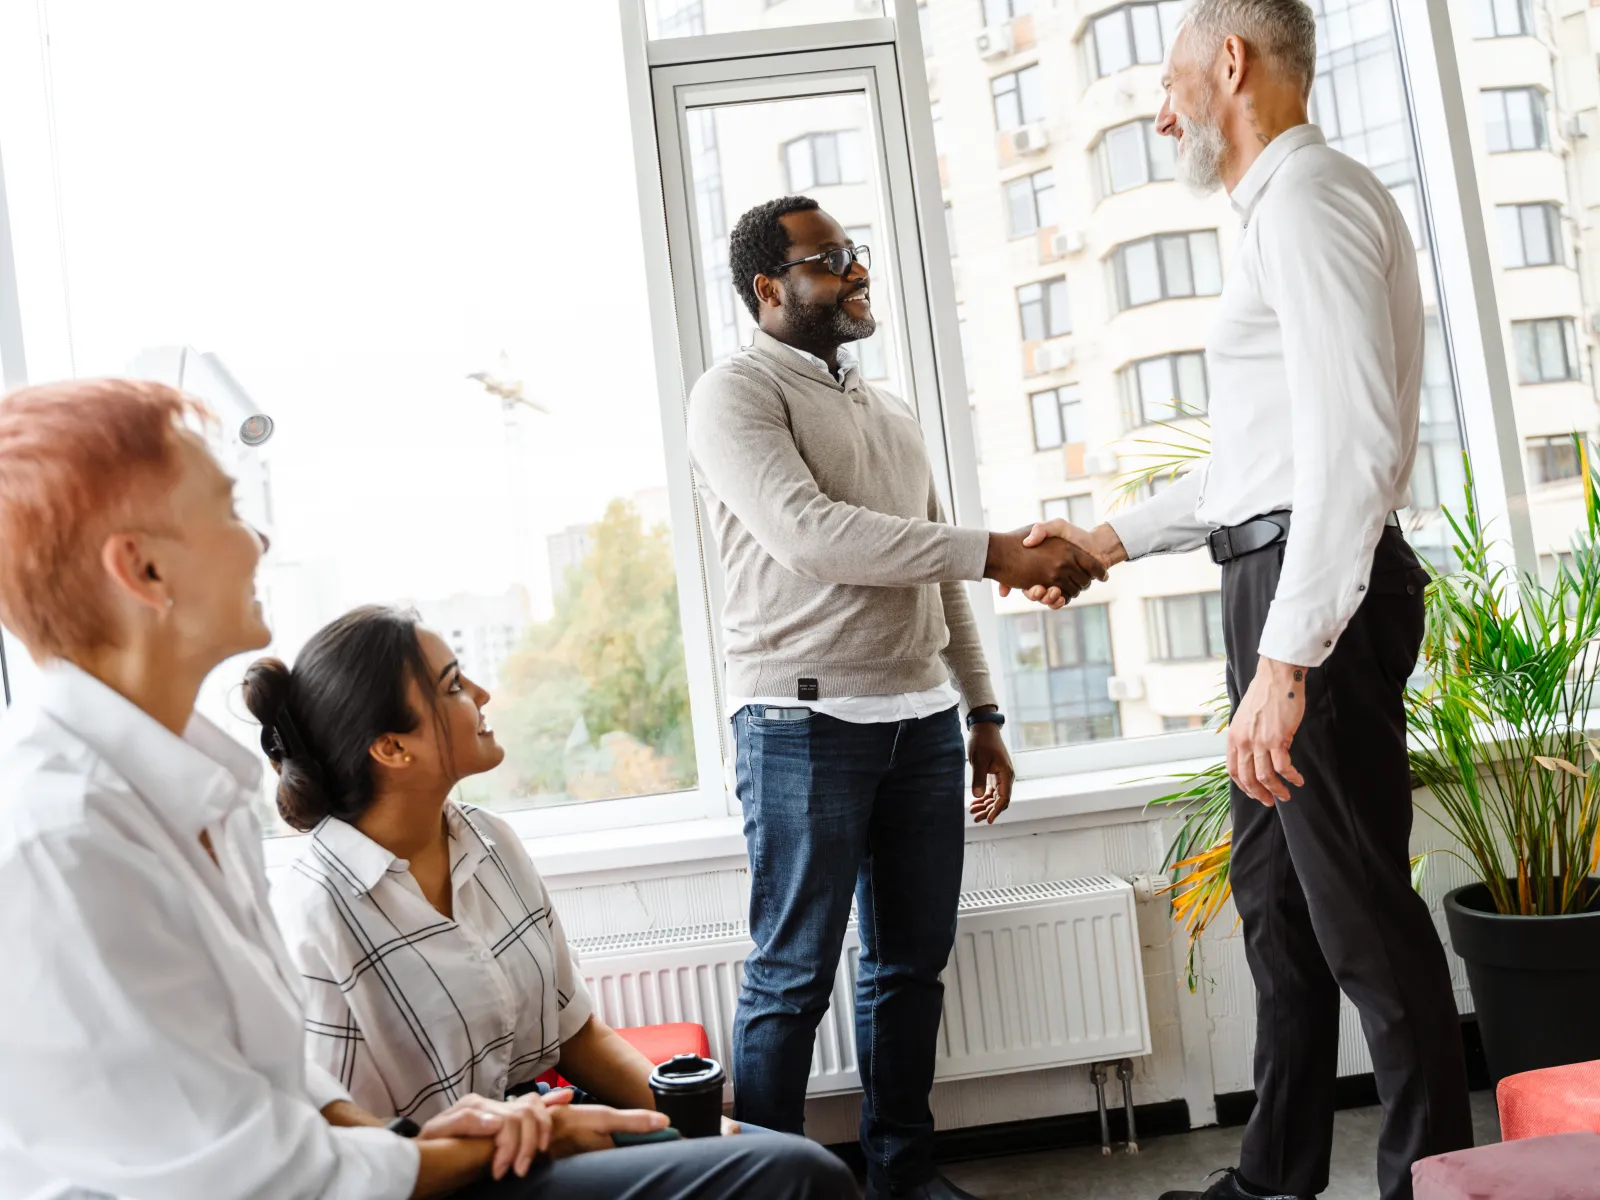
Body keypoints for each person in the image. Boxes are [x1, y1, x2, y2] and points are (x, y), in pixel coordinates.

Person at [0, 378, 855, 1200]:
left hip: (395, 1162)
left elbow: (281, 1082)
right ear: (142, 570)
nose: (257, 539)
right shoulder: (62, 843)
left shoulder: (191, 797)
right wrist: (510, 1141)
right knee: (795, 1177)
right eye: (225, 509)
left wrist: (462, 1134)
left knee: (777, 1166)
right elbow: (266, 1176)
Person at [1012, 4, 1474, 1199]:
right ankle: (1275, 1177)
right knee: (1277, 913)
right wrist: (1107, 538)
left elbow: (1356, 449)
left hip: (1309, 598)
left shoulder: (1311, 200)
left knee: (1364, 919)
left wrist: (1288, 661)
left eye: (1168, 84)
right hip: (1274, 580)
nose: (1160, 113)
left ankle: (1434, 1184)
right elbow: (1257, 466)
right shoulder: (1277, 214)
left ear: (1231, 64)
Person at [685, 196, 1102, 1200]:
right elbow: (815, 537)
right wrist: (1001, 551)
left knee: (909, 967)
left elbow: (933, 570)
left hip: (917, 721)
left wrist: (983, 712)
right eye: (827, 260)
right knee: (791, 978)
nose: (853, 272)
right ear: (766, 288)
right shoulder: (733, 396)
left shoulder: (888, 407)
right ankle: (764, 1187)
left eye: (853, 254)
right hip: (800, 722)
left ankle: (902, 1175)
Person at [259, 606, 817, 1155]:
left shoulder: (490, 839)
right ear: (392, 747)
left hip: (546, 1132)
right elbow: (349, 1150)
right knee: (795, 1170)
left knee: (786, 1163)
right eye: (453, 685)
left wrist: (687, 1123)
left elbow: (576, 1035)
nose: (481, 694)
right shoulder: (315, 916)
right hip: (451, 1171)